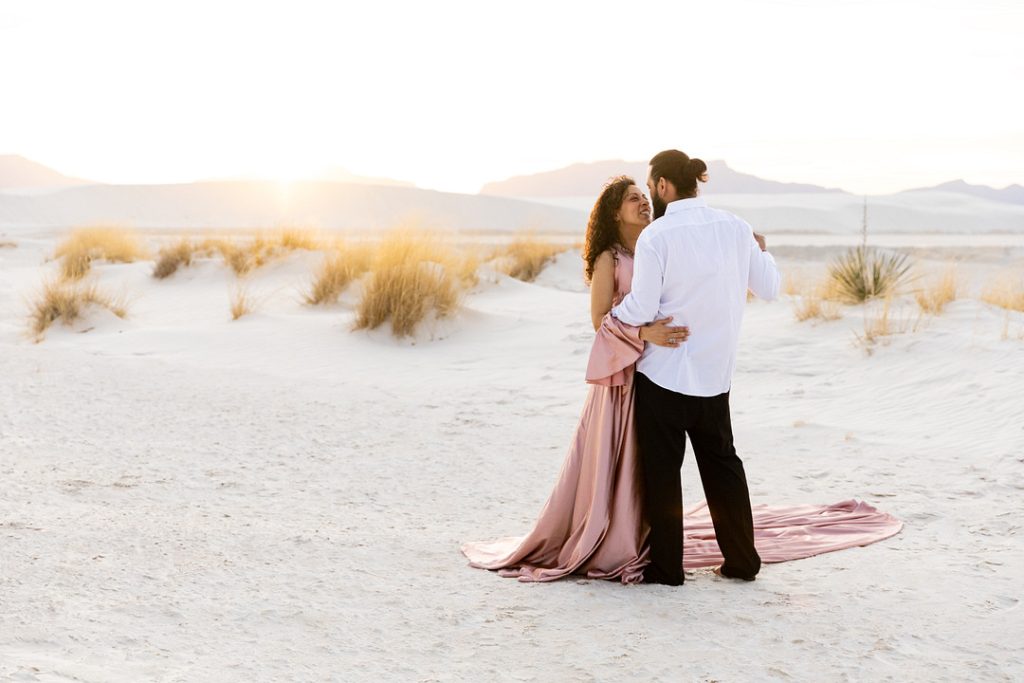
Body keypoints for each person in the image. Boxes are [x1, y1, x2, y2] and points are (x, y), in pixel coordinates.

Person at [460, 176, 685, 583]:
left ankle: (648, 534)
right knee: (621, 455)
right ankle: (615, 536)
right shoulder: (610, 258)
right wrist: (643, 334)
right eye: (633, 199)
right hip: (624, 373)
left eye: (644, 196)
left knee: (652, 461)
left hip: (661, 370)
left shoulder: (657, 247)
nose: (643, 203)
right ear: (615, 212)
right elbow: (599, 320)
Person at [611, 149, 778, 585]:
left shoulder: (657, 236)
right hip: (714, 375)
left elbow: (643, 306)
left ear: (663, 185)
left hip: (663, 373)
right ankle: (742, 561)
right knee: (723, 466)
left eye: (651, 185)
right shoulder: (736, 228)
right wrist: (763, 251)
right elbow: (770, 288)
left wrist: (615, 314)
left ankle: (668, 570)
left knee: (663, 473)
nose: (651, 192)